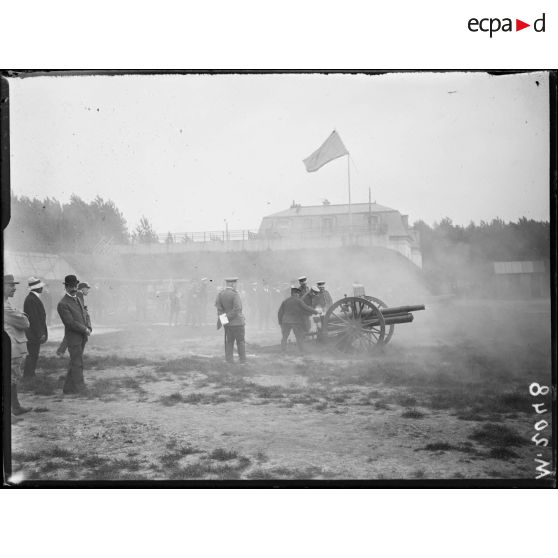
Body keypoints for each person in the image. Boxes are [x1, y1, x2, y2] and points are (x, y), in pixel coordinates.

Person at [57, 275, 91, 394]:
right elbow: (70, 323)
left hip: (82, 337)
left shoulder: (78, 299)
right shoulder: (63, 304)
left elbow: (85, 314)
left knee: (75, 362)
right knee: (77, 363)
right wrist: (85, 329)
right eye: (70, 286)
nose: (73, 288)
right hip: (73, 338)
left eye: (75, 286)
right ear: (66, 287)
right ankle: (81, 388)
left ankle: (68, 388)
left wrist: (89, 327)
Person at [3, 274, 32, 416]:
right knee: (11, 378)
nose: (14, 288)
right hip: (11, 347)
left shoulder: (7, 303)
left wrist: (21, 314)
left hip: (14, 346)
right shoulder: (5, 307)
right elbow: (25, 322)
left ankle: (15, 406)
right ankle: (14, 408)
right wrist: (22, 314)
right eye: (11, 285)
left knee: (12, 378)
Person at [278, 286, 319, 354]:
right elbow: (306, 308)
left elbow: (280, 312)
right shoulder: (298, 300)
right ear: (295, 294)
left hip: (285, 321)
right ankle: (301, 351)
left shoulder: (285, 301)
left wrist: (280, 322)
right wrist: (316, 311)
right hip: (295, 321)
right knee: (298, 337)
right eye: (298, 294)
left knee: (284, 337)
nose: (298, 295)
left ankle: (283, 350)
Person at [215, 277, 246, 364]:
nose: (236, 285)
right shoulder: (235, 294)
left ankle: (229, 360)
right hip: (238, 323)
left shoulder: (220, 294)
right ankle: (242, 361)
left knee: (229, 342)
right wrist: (228, 318)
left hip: (227, 324)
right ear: (232, 284)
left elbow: (219, 309)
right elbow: (238, 308)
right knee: (240, 342)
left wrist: (224, 320)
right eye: (235, 284)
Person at [22, 276, 48, 380]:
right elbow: (34, 319)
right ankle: (28, 375)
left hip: (33, 332)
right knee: (32, 354)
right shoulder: (32, 299)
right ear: (36, 288)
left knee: (34, 354)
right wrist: (40, 333)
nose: (42, 288)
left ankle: (30, 374)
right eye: (40, 286)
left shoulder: (32, 298)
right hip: (33, 333)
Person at [56, 280, 91, 356]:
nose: (88, 290)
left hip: (74, 319)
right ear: (82, 289)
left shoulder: (78, 294)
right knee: (70, 335)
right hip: (75, 319)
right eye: (87, 288)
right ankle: (61, 351)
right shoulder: (79, 294)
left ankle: (61, 351)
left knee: (69, 335)